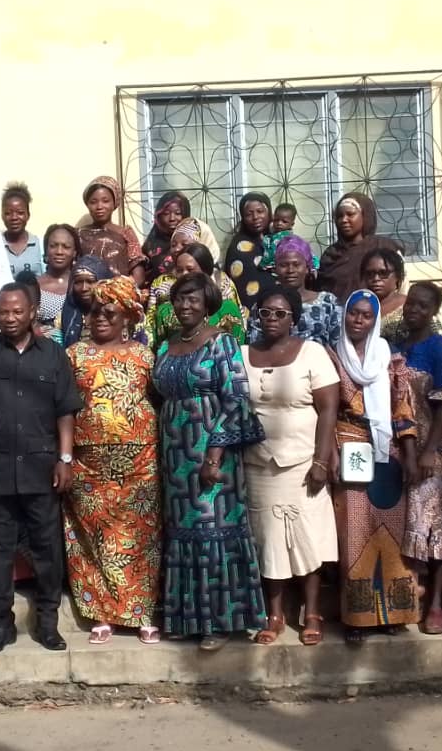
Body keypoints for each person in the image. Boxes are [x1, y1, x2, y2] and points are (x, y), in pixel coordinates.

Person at [0, 284, 84, 654]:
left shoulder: (54, 356)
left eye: (17, 312)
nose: (9, 318)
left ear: (31, 313)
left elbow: (65, 411)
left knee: (47, 551)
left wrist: (64, 459)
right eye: (3, 312)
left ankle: (48, 623)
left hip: (42, 471)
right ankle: (0, 626)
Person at [152, 272, 267, 649]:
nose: (185, 306)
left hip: (210, 451)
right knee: (183, 532)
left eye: (193, 300)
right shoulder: (166, 346)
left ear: (208, 304)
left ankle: (218, 622)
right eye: (180, 299)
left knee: (212, 529)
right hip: (174, 454)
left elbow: (235, 399)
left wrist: (214, 454)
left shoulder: (223, 342)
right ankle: (186, 618)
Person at [64, 277, 162, 644]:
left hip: (140, 460)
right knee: (94, 538)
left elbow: (157, 398)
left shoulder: (144, 356)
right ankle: (102, 612)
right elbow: (64, 407)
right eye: (95, 311)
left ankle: (142, 612)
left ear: (127, 317)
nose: (100, 318)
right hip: (88, 462)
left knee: (141, 537)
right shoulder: (74, 354)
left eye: (110, 312)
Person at [244, 287, 339, 647]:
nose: (271, 319)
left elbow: (328, 409)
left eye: (280, 313)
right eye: (265, 312)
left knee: (307, 539)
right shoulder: (243, 354)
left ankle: (312, 612)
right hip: (258, 463)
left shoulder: (312, 352)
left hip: (302, 463)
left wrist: (321, 460)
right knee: (268, 541)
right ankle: (275, 614)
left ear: (294, 318)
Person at [328, 289, 419, 645]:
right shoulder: (331, 356)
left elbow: (403, 408)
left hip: (388, 453)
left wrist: (409, 455)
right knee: (354, 535)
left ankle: (395, 613)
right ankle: (357, 618)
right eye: (354, 313)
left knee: (392, 532)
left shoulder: (389, 358)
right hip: (348, 447)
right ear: (345, 315)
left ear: (375, 319)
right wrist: (331, 455)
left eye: (366, 315)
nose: (359, 320)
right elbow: (327, 410)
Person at [390, 282, 442, 635]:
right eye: (411, 303)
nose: (413, 310)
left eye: (423, 305)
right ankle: (407, 598)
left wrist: (430, 450)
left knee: (433, 527)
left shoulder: (440, 349)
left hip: (433, 451)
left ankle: (435, 604)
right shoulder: (396, 347)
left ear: (433, 312)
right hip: (401, 449)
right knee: (406, 526)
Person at [146, 243, 245, 349]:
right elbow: (158, 350)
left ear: (206, 271)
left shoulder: (227, 310)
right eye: (179, 270)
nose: (184, 274)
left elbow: (238, 350)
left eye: (190, 269)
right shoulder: (164, 312)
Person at [247, 235, 340, 346]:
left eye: (296, 264)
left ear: (307, 268)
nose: (290, 270)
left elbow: (339, 344)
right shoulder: (264, 306)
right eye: (283, 265)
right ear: (275, 269)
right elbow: (254, 345)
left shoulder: (328, 303)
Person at [316, 192, 402, 303]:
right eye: (339, 216)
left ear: (365, 216)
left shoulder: (383, 247)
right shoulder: (330, 254)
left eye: (350, 214)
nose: (344, 220)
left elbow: (400, 286)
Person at [77, 176, 146, 283]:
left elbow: (138, 276)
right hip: (86, 295)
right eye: (93, 202)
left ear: (114, 203)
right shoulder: (79, 234)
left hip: (119, 295)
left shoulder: (126, 233)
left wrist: (117, 289)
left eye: (105, 201)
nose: (99, 206)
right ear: (87, 205)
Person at [224, 192, 277, 312]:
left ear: (269, 213)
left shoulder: (278, 240)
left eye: (260, 211)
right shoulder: (238, 247)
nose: (255, 217)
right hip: (251, 311)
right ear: (243, 218)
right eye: (249, 214)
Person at [37, 224, 81, 343]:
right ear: (46, 249)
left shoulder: (82, 284)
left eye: (66, 247)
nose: (59, 252)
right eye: (53, 246)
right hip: (43, 353)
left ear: (74, 252)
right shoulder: (34, 286)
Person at [61, 254, 113, 347]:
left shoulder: (119, 316)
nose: (84, 288)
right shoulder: (63, 318)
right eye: (78, 282)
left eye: (91, 282)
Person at [360, 247, 409, 341]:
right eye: (370, 273)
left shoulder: (410, 306)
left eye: (383, 273)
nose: (376, 278)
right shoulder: (356, 308)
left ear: (397, 276)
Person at [141, 190, 187, 282]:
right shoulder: (150, 245)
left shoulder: (195, 240)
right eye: (166, 214)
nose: (172, 218)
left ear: (186, 215)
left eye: (178, 213)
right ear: (159, 216)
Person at [1, 182, 44, 277]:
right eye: (8, 213)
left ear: (28, 215)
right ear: (2, 216)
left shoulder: (40, 245)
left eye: (20, 212)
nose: (14, 217)